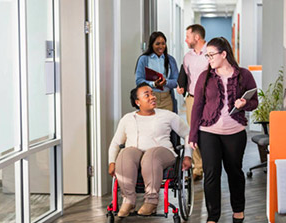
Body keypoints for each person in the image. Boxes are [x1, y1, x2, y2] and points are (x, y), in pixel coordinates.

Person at [189, 37, 258, 223]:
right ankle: (212, 217)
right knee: (211, 174)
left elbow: (254, 102)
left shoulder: (244, 75)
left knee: (234, 172)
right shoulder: (205, 77)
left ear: (224, 54)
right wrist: (193, 134)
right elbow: (197, 106)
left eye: (212, 55)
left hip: (235, 132)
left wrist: (244, 103)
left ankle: (238, 211)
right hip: (208, 131)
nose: (209, 59)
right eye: (207, 55)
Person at [108, 82, 192, 217]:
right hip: (135, 154)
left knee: (151, 155)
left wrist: (188, 156)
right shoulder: (128, 119)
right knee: (125, 153)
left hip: (162, 153)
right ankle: (128, 200)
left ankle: (151, 201)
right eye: (147, 95)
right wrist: (112, 162)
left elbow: (188, 134)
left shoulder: (167, 115)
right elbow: (116, 143)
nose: (152, 97)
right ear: (137, 102)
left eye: (152, 94)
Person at [177, 24, 208, 181]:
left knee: (208, 132)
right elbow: (184, 74)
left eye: (188, 36)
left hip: (209, 100)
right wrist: (180, 85)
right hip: (192, 98)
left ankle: (211, 166)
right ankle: (198, 167)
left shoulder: (211, 52)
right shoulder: (187, 56)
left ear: (197, 37)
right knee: (192, 132)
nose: (185, 39)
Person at [135, 32, 179, 113]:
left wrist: (166, 82)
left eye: (163, 43)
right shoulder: (144, 59)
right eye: (157, 44)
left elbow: (176, 81)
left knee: (166, 124)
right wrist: (153, 84)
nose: (161, 46)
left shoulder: (170, 60)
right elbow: (138, 81)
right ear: (152, 45)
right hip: (150, 97)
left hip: (167, 98)